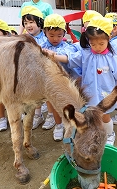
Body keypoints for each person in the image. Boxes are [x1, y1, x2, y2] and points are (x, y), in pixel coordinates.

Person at [49, 16, 117, 145]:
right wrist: (54, 56)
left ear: (109, 38)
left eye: (101, 43)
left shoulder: (112, 56)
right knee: (91, 116)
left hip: (105, 95)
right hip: (90, 93)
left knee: (105, 116)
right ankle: (95, 134)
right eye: (93, 44)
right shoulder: (85, 53)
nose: (97, 47)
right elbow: (70, 59)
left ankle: (109, 134)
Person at [40, 13, 75, 141]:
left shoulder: (66, 46)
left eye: (59, 35)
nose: (55, 38)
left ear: (64, 33)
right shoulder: (41, 46)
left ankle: (69, 126)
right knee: (52, 104)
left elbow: (67, 59)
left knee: (66, 104)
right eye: (51, 35)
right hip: (48, 82)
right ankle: (58, 125)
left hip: (64, 81)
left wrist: (52, 55)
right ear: (45, 32)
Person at [19, 5, 50, 128]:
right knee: (34, 96)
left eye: (31, 22)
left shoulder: (46, 37)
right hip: (29, 73)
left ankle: (51, 116)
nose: (28, 25)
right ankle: (38, 115)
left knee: (47, 95)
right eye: (25, 23)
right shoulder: (24, 38)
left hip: (43, 72)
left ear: (39, 22)